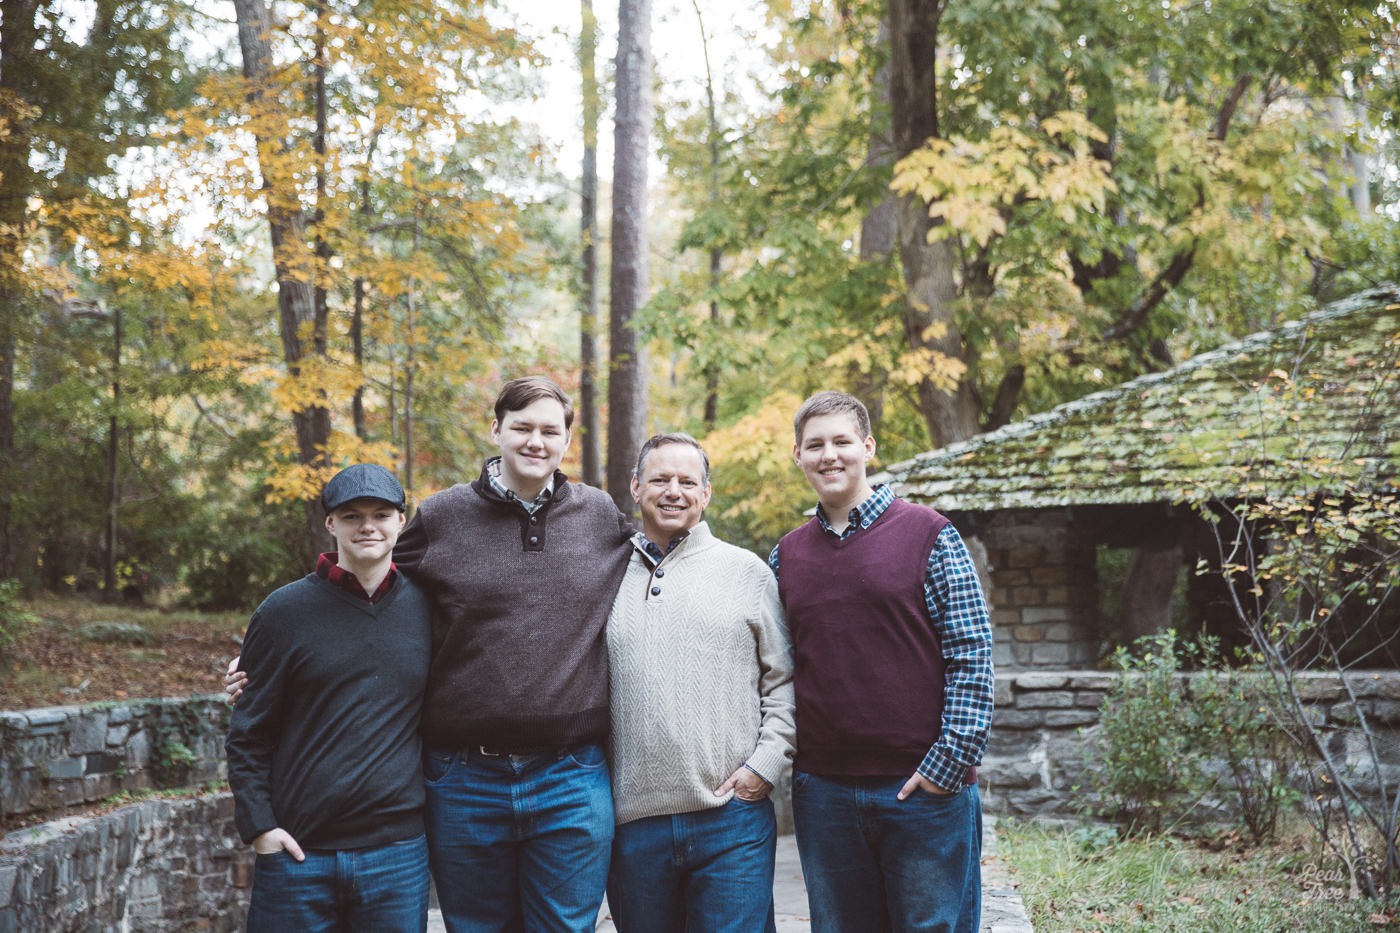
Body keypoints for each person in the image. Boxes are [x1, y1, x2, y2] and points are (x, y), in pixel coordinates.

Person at [393, 376, 634, 933]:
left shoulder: (599, 516)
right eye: (522, 427)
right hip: (463, 776)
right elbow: (365, 591)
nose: (536, 441)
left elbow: (666, 572)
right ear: (496, 429)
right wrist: (271, 658)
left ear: (566, 441)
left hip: (571, 775)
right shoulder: (441, 516)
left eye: (551, 430)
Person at [769, 390, 995, 933]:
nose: (829, 455)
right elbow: (775, 668)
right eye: (814, 444)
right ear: (797, 456)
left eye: (842, 441)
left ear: (868, 446)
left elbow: (972, 652)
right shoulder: (786, 555)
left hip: (923, 790)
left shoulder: (930, 535)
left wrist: (947, 765)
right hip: (824, 794)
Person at [225, 463, 433, 932]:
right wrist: (260, 828)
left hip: (396, 856)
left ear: (401, 521)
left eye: (381, 514)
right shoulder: (283, 612)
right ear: (331, 524)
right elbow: (248, 733)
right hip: (299, 856)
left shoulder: (429, 607)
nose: (367, 527)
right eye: (352, 515)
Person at [604, 433, 795, 933]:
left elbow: (784, 678)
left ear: (706, 494)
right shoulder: (601, 575)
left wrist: (766, 764)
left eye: (688, 481)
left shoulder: (746, 573)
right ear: (635, 487)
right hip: (632, 825)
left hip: (731, 817)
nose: (674, 490)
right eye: (661, 479)